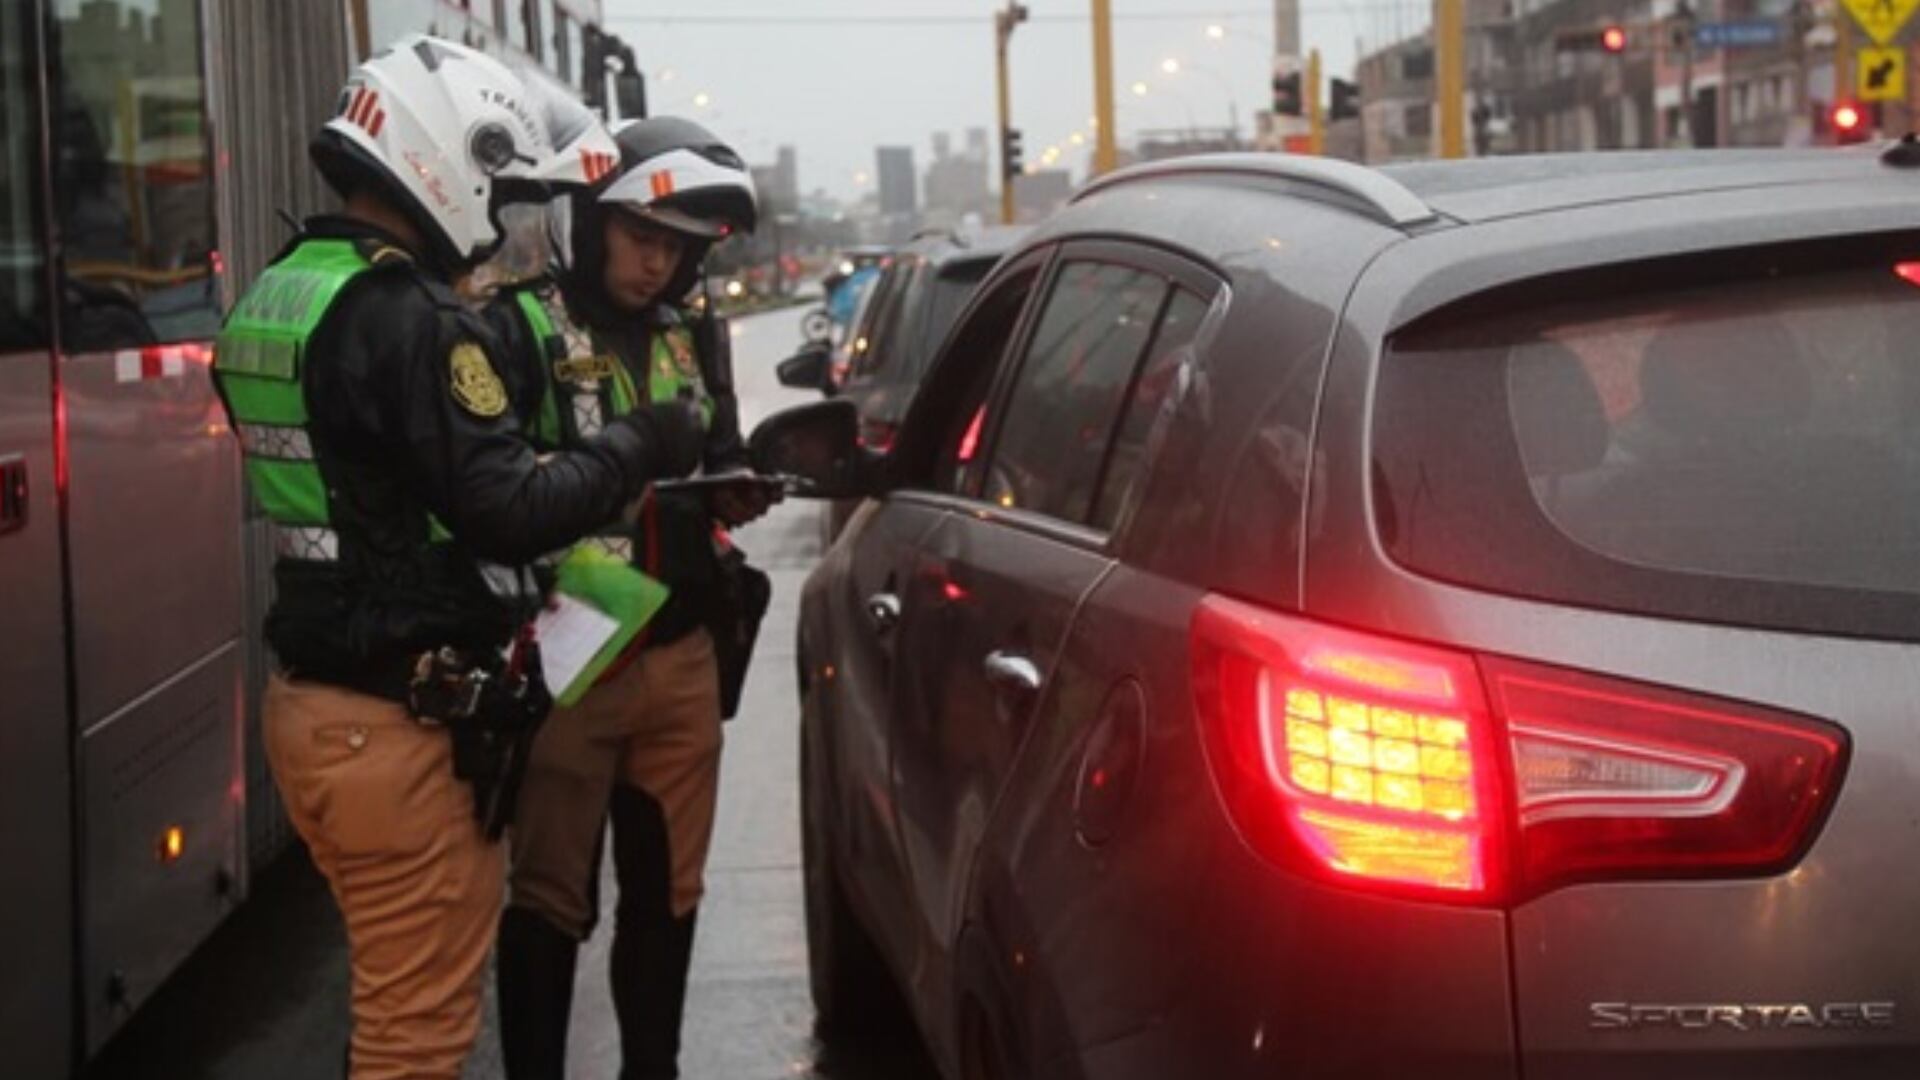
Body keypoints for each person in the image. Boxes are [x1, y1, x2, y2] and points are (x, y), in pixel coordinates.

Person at [210, 36, 704, 1080]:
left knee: (393, 1003)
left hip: (316, 705)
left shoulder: (281, 294)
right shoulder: (412, 318)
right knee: (417, 1036)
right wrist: (639, 442)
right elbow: (507, 511)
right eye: (502, 181)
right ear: (451, 159)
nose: (502, 211)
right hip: (394, 722)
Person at [487, 116, 773, 1080]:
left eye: (678, 250)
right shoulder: (516, 326)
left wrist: (738, 484)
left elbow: (724, 447)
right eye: (642, 237)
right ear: (589, 221)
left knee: (669, 898)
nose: (657, 265)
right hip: (570, 643)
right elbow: (485, 493)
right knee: (550, 903)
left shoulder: (695, 332)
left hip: (683, 652)